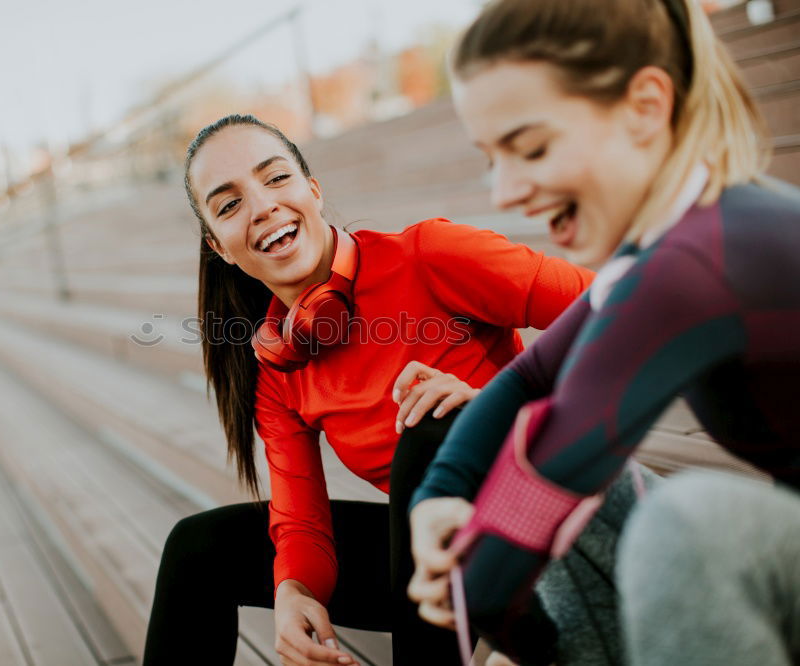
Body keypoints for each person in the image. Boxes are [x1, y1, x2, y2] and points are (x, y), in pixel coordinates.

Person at [408, 0, 800, 664]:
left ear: (646, 105)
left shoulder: (691, 265)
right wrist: (439, 495)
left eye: (530, 148)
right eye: (491, 157)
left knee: (684, 526)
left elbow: (548, 482)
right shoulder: (676, 235)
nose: (504, 190)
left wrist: (481, 601)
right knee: (521, 440)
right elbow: (530, 379)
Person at [142, 113, 599, 665]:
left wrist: (492, 407)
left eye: (275, 178)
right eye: (230, 203)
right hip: (435, 560)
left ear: (313, 190)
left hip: (553, 530)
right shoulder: (278, 363)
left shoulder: (430, 255)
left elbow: (620, 311)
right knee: (199, 549)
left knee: (431, 425)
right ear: (219, 245)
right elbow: (302, 523)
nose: (262, 206)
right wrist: (294, 591)